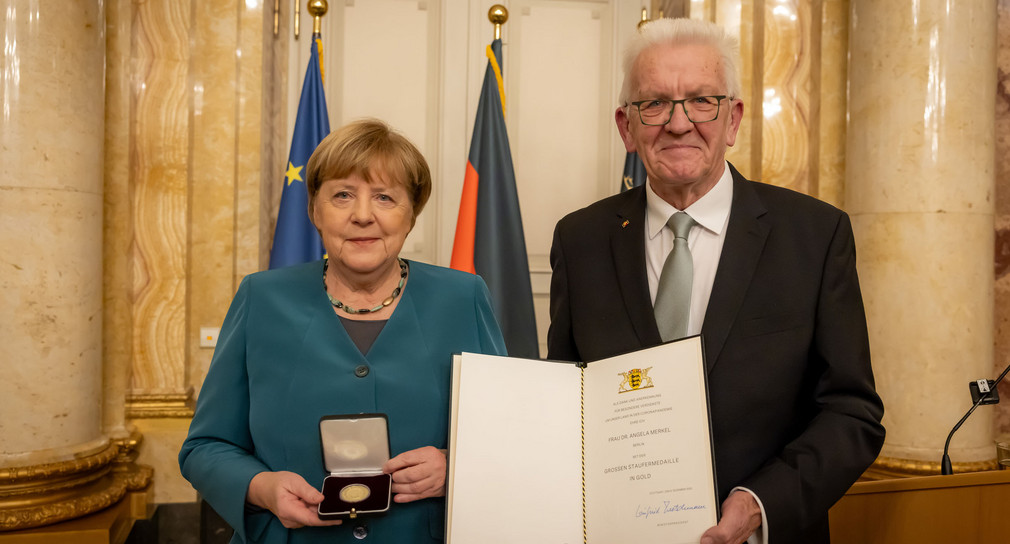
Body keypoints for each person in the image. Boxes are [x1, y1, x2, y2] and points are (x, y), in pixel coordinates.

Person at [547, 18, 884, 544]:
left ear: (733, 119)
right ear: (625, 126)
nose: (679, 124)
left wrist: (759, 505)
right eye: (654, 103)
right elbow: (568, 400)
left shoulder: (814, 235)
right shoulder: (580, 240)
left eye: (702, 100)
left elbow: (851, 412)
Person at [179, 119, 506, 543]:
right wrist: (263, 489)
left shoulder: (463, 297)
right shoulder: (260, 298)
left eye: (385, 197)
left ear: (411, 214)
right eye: (343, 195)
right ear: (315, 209)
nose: (363, 215)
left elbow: (508, 436)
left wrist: (456, 466)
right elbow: (205, 448)